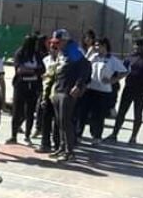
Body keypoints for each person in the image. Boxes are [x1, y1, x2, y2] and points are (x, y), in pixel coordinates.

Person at [48, 30, 90, 161]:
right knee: (59, 122)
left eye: (58, 42)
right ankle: (62, 147)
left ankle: (70, 151)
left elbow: (86, 67)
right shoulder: (62, 52)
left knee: (66, 122)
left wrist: (78, 85)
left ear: (65, 41)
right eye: (54, 42)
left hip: (67, 91)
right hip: (58, 89)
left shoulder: (74, 51)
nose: (56, 45)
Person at [106, 38, 143, 145]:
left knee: (137, 112)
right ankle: (114, 134)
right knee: (122, 111)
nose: (136, 47)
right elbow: (121, 69)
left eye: (139, 45)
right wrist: (113, 79)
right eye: (135, 45)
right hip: (129, 86)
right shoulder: (130, 57)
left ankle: (133, 137)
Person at [81, 38, 128, 144]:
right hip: (90, 88)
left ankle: (97, 136)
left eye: (99, 45)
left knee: (98, 115)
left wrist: (113, 80)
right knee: (84, 113)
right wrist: (89, 52)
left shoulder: (112, 60)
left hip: (103, 91)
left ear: (105, 46)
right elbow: (84, 64)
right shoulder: (93, 57)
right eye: (95, 45)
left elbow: (124, 71)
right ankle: (79, 134)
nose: (97, 47)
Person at [7, 35, 44, 145]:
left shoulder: (36, 55)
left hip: (33, 86)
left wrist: (31, 71)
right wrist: (33, 71)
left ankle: (27, 135)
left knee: (30, 111)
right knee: (17, 111)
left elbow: (42, 69)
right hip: (20, 85)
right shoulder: (20, 53)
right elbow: (19, 70)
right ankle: (13, 135)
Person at [35, 38, 61, 154]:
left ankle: (57, 144)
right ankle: (45, 144)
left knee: (57, 120)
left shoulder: (63, 61)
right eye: (51, 47)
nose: (53, 50)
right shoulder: (46, 60)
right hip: (46, 92)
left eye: (56, 47)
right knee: (45, 118)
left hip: (58, 92)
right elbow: (42, 75)